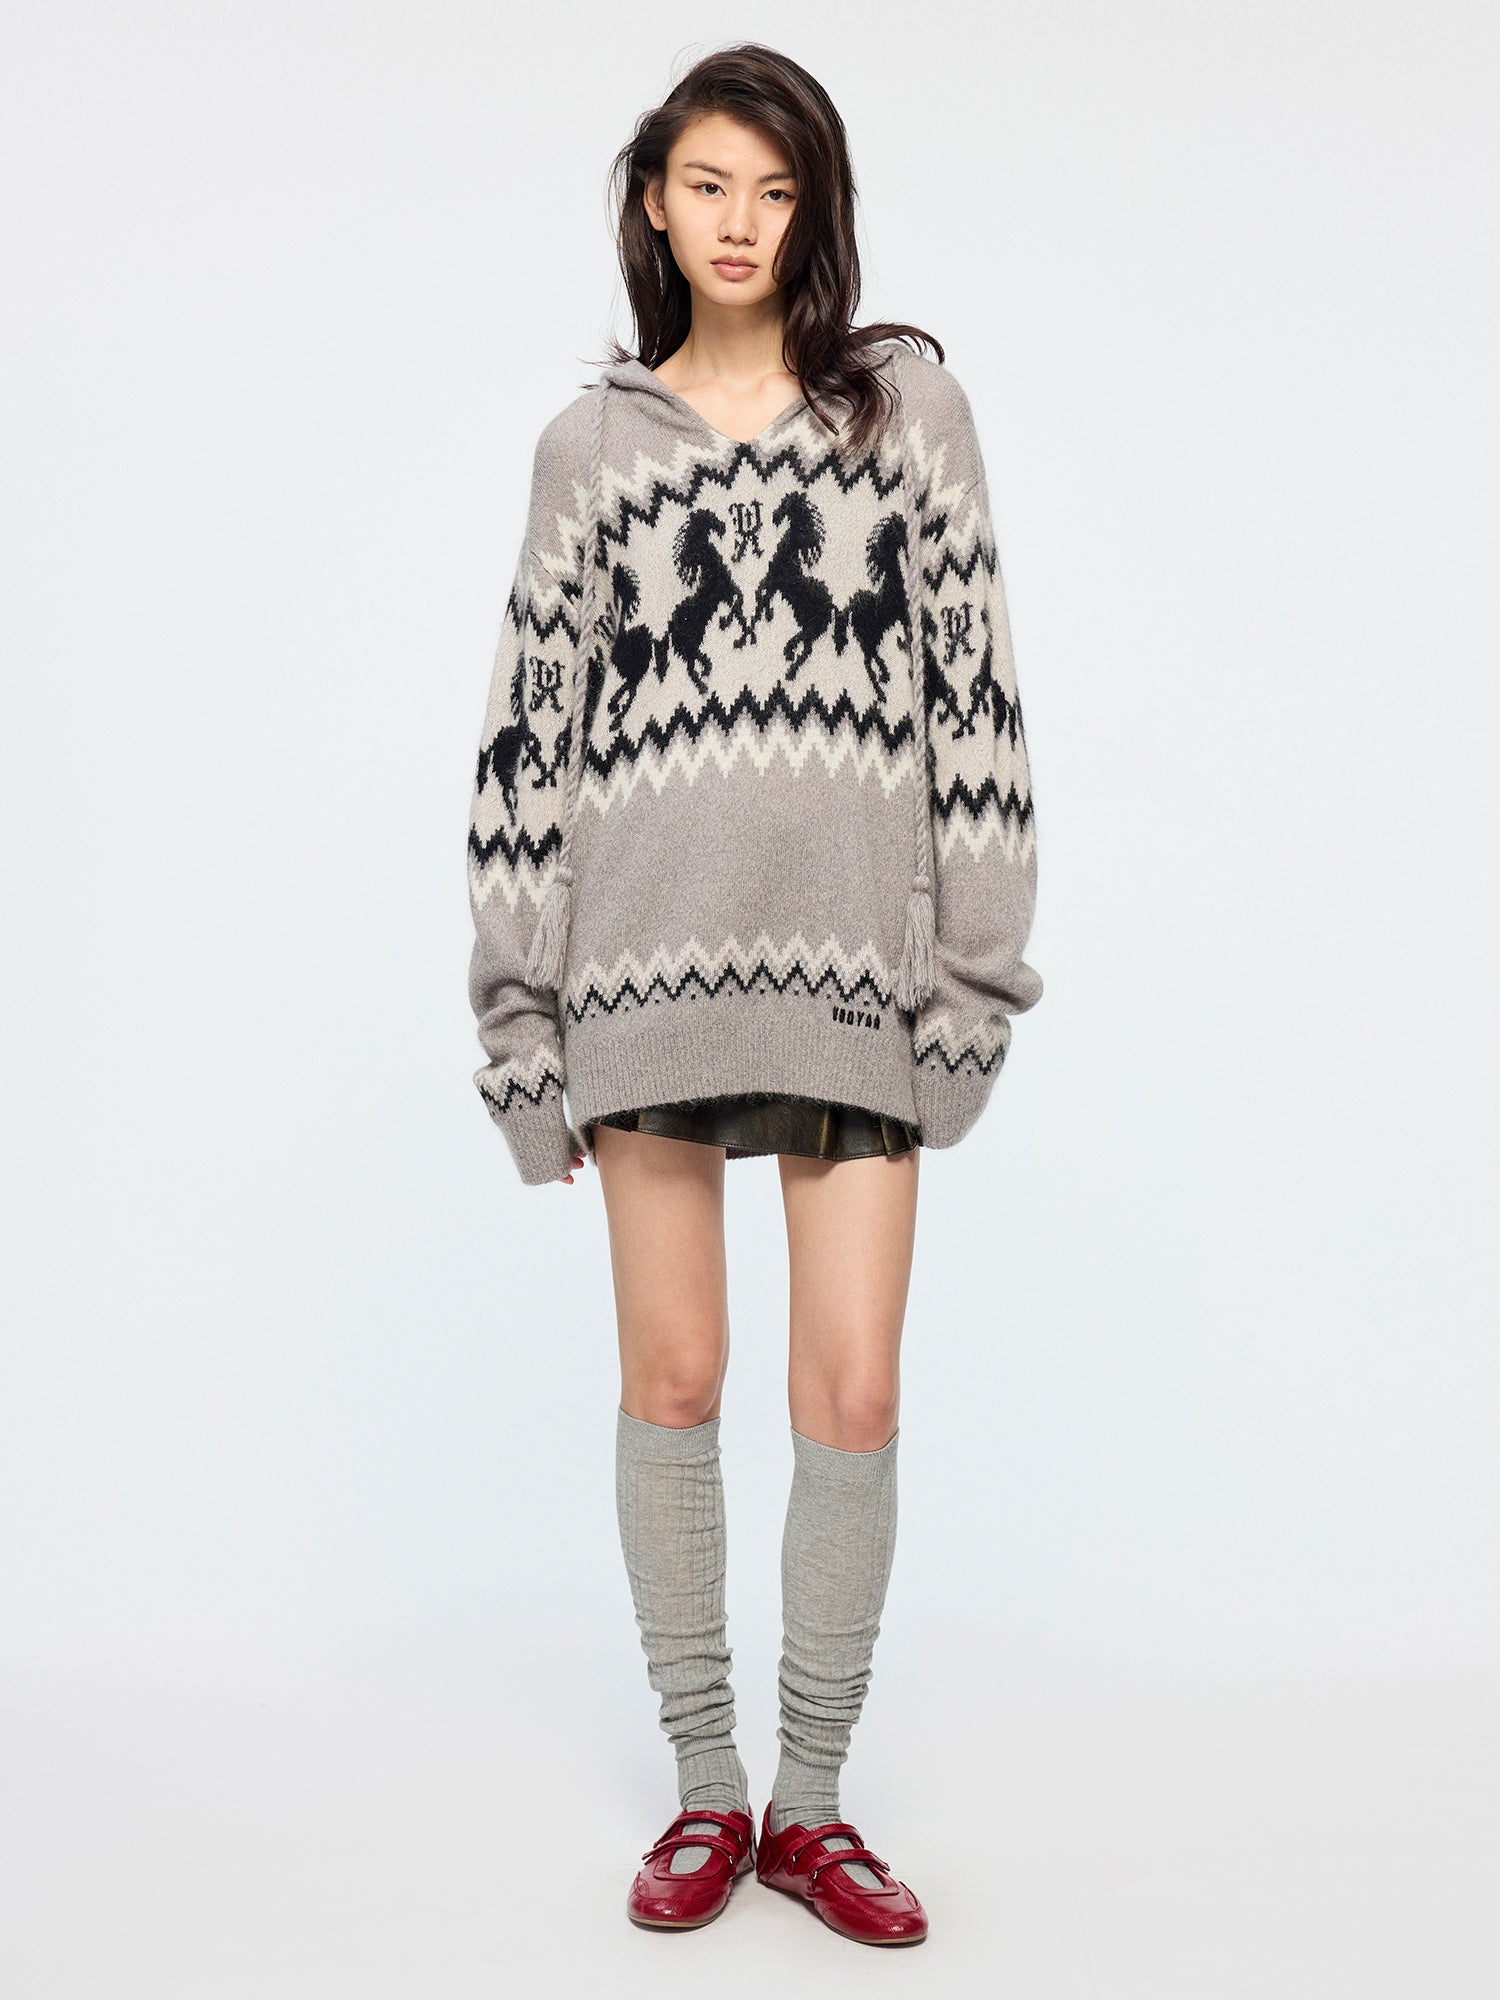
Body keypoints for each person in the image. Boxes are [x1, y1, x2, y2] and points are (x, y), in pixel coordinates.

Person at [465, 42, 1042, 1948]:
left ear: (816, 213)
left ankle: (814, 1804)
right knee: (678, 1378)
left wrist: (974, 981)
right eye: (709, 185)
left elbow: (978, 702)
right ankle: (709, 1792)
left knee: (853, 1389)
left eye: (777, 193)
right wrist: (521, 1021)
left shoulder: (908, 415)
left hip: (860, 982)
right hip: (641, 979)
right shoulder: (592, 451)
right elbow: (528, 743)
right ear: (656, 201)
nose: (741, 224)